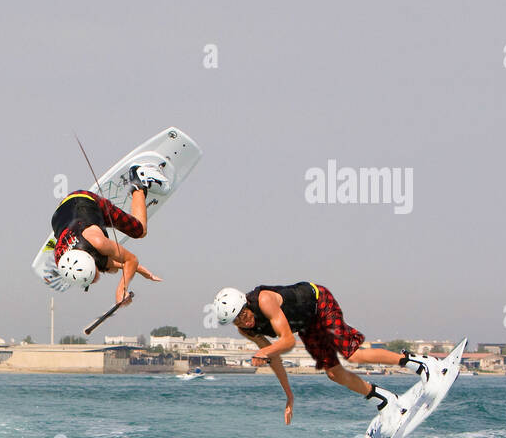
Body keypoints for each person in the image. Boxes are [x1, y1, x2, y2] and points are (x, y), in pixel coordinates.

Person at [212, 282, 442, 424]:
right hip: (307, 325)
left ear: (246, 304)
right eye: (237, 320)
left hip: (319, 302)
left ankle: (421, 363)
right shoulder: (245, 329)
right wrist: (289, 395)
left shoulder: (264, 300)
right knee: (334, 373)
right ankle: (387, 400)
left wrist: (265, 351)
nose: (245, 321)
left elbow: (287, 341)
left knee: (353, 355)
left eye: (243, 314)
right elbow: (274, 358)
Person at [51, 165, 167, 303]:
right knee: (110, 269)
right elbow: (115, 264)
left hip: (84, 200)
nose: (95, 281)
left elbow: (131, 259)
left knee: (139, 231)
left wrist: (121, 289)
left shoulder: (98, 242)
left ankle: (139, 180)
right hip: (61, 212)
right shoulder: (61, 259)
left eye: (92, 276)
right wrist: (139, 270)